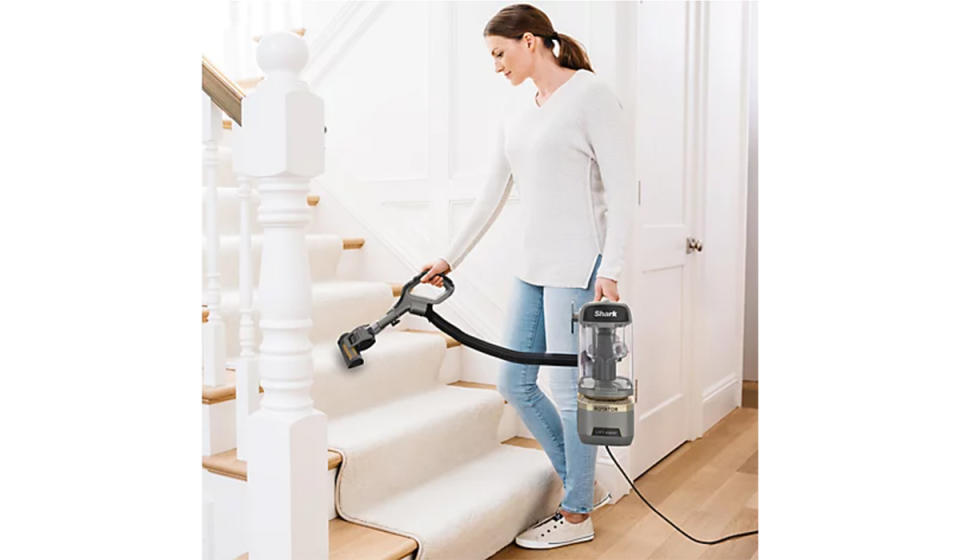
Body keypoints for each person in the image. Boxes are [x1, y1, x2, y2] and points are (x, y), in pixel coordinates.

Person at [420, 3, 634, 551]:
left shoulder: (590, 95)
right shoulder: (519, 115)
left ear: (531, 41)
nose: (496, 66)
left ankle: (577, 513)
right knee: (512, 381)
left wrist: (611, 269)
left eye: (500, 53)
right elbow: (492, 191)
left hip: (577, 265)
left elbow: (624, 189)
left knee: (570, 392)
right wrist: (449, 257)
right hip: (531, 268)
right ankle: (583, 487)